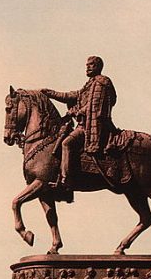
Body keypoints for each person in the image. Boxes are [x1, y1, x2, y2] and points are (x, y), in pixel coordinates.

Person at [42, 56, 117, 189]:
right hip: (84, 124)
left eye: (91, 65)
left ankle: (66, 180)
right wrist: (49, 93)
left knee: (66, 143)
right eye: (87, 65)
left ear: (98, 67)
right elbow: (69, 96)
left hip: (92, 126)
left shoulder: (101, 83)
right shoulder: (89, 84)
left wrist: (75, 112)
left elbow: (93, 106)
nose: (87, 67)